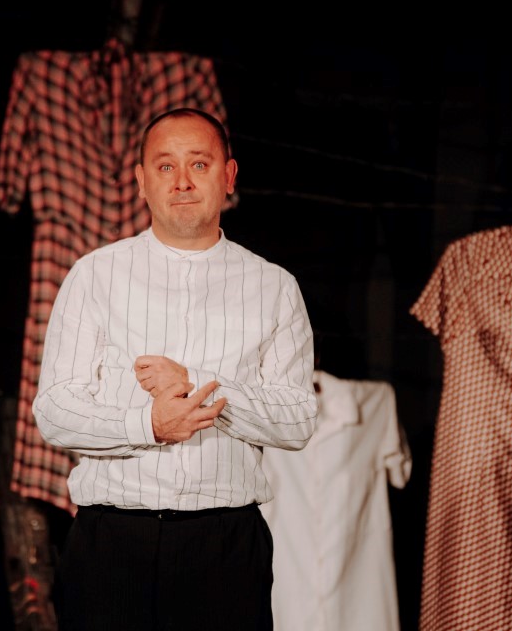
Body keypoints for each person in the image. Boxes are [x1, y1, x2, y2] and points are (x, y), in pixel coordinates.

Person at [33, 107, 319, 630]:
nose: (182, 182)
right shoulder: (95, 276)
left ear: (228, 176)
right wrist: (149, 426)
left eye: (199, 165)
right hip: (111, 545)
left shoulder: (275, 286)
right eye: (165, 166)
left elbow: (297, 419)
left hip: (226, 549)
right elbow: (54, 412)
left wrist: (197, 384)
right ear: (141, 181)